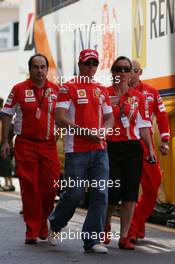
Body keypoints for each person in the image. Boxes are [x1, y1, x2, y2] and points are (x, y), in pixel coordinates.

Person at [48, 49, 114, 254]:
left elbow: (110, 118)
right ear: (79, 64)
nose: (91, 67)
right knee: (75, 193)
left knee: (101, 194)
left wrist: (103, 131)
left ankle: (92, 241)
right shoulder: (67, 88)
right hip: (76, 150)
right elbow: (60, 118)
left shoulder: (101, 90)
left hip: (100, 149)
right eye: (87, 63)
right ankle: (57, 223)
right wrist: (85, 132)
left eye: (94, 63)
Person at [1, 54, 60, 244]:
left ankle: (43, 221)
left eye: (43, 67)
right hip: (26, 144)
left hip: (49, 145)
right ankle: (32, 230)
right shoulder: (18, 89)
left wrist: (59, 130)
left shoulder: (56, 90)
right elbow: (7, 114)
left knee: (51, 188)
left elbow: (64, 114)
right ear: (30, 69)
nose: (40, 71)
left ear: (47, 69)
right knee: (30, 187)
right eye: (36, 67)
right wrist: (5, 142)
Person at [103, 56, 155, 250]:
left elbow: (144, 125)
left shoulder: (138, 97)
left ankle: (124, 236)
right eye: (118, 69)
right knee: (111, 192)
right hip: (110, 147)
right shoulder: (104, 94)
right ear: (113, 72)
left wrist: (150, 149)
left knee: (130, 194)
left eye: (126, 69)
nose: (123, 73)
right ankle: (105, 226)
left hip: (132, 148)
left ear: (132, 73)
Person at [127, 60, 170, 242]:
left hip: (146, 145)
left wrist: (165, 140)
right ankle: (130, 230)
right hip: (124, 144)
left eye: (135, 71)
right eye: (128, 71)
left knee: (153, 187)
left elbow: (161, 116)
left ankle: (136, 222)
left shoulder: (151, 92)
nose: (132, 74)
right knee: (122, 191)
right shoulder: (116, 91)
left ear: (140, 72)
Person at [0, 98, 15, 191]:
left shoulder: (2, 115)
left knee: (5, 163)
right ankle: (9, 183)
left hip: (3, 142)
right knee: (6, 163)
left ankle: (8, 184)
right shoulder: (6, 114)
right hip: (8, 142)